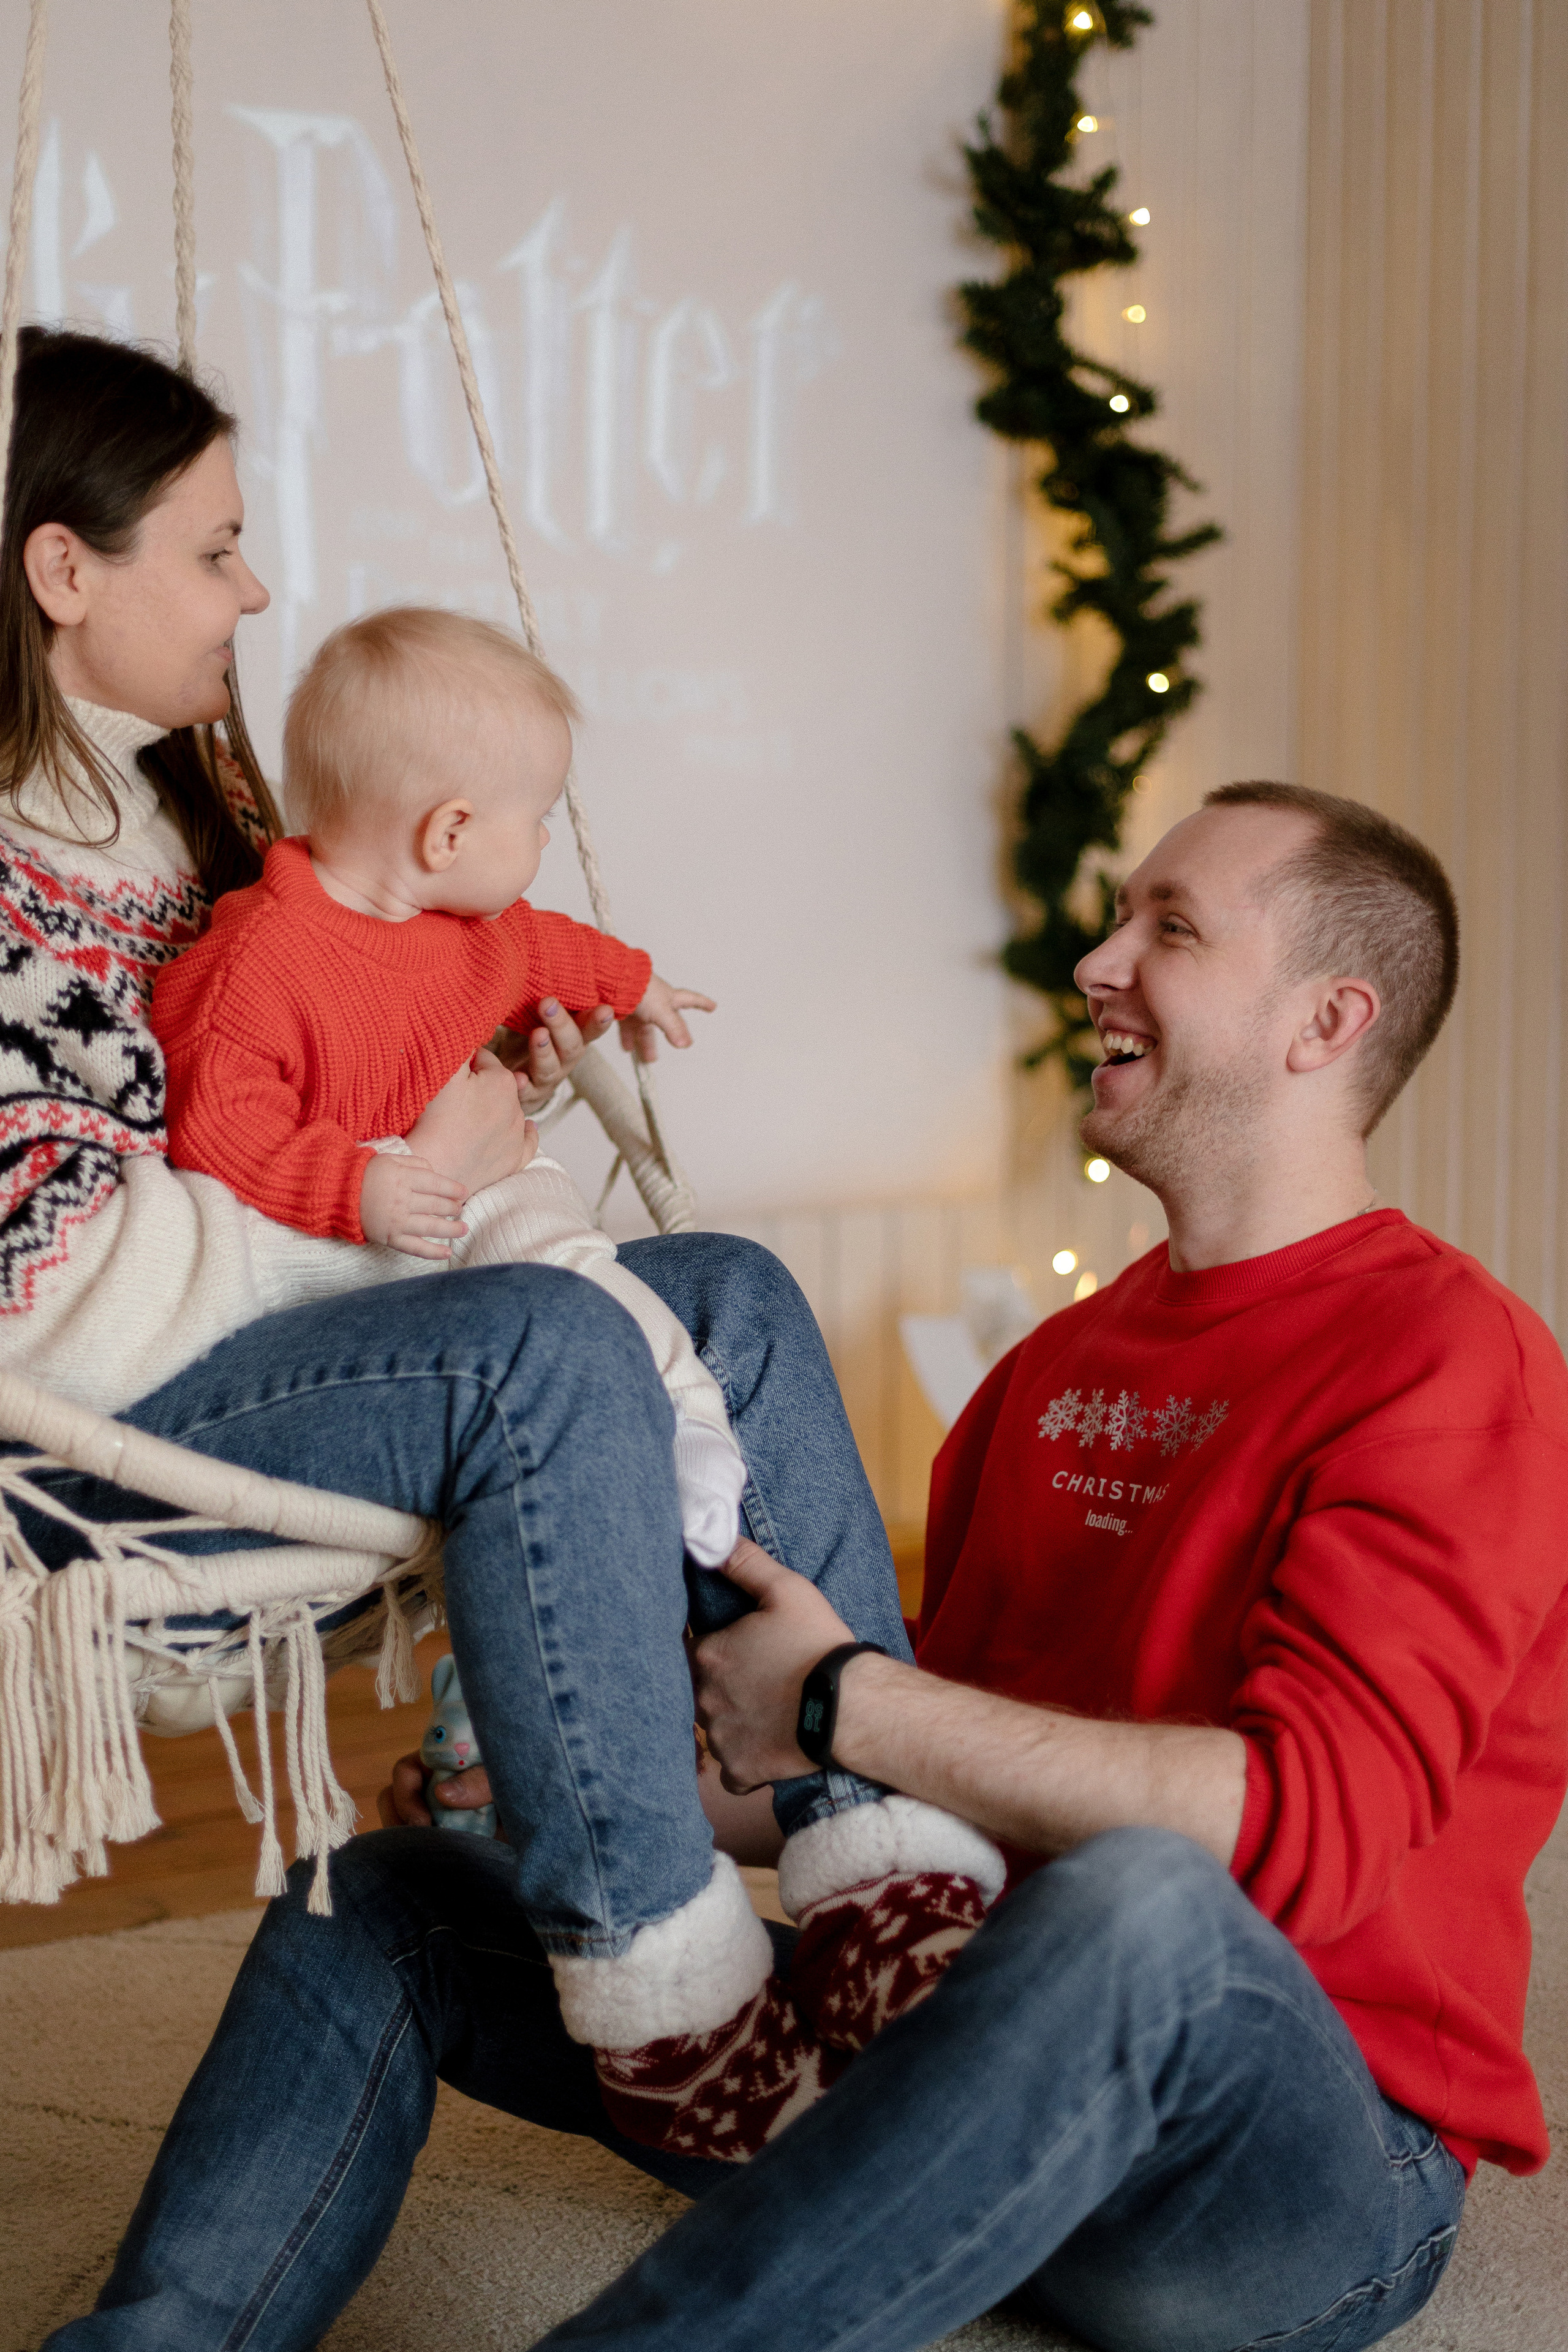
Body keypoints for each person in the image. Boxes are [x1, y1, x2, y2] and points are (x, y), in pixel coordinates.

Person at [83, 775, 1568, 2352]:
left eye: (1172, 929)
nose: (1096, 961)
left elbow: (1302, 1837)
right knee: (389, 1902)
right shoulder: (1050, 1367)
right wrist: (596, 1783)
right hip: (956, 2069)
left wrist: (847, 1699)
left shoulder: (1447, 1357)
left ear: (1324, 1022)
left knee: (1139, 1908)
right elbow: (927, 1773)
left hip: (1287, 2168)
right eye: (1121, 912)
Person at [0, 326, 984, 2340]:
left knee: (730, 1294)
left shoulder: (203, 830)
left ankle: (875, 1844)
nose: (260, 591)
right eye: (215, 547)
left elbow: (380, 997)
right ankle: (663, 1979)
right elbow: (58, 1245)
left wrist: (473, 1069)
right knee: (544, 1343)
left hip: (325, 1304)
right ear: (60, 570)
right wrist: (406, 1188)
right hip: (108, 1416)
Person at [147, 600, 748, 1571]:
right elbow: (221, 1124)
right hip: (353, 1247)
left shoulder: (471, 929)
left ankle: (690, 1426)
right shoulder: (258, 965)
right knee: (552, 1344)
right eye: (540, 818)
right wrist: (359, 1185)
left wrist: (637, 985)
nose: (547, 842)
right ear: (450, 831)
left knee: (586, 1271)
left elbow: (552, 947)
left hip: (485, 1190)